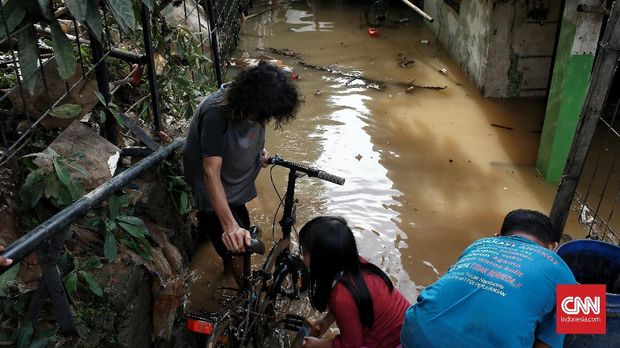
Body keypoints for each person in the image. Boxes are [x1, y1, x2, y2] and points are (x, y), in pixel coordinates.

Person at [183, 62, 301, 277]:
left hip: (232, 183)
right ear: (249, 102)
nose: (263, 120)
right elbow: (210, 172)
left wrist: (260, 151)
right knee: (236, 247)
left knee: (240, 234)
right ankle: (234, 281)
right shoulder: (215, 114)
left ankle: (227, 257)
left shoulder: (253, 107)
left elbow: (245, 134)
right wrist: (229, 227)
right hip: (213, 186)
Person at [400, 209, 577, 348]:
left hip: (416, 332)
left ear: (498, 237)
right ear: (554, 247)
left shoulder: (480, 244)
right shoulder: (562, 268)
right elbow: (580, 335)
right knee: (577, 324)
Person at [299, 216, 410, 348]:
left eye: (304, 252)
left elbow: (351, 345)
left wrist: (317, 345)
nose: (302, 257)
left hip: (395, 342)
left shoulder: (341, 297)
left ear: (321, 261)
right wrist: (327, 320)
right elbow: (355, 304)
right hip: (409, 326)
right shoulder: (353, 263)